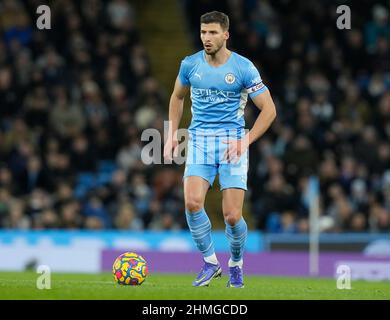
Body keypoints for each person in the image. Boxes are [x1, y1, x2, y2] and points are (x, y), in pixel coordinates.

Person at [163, 11, 276, 288]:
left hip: (231, 143)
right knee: (191, 202)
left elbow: (269, 109)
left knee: (232, 216)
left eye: (212, 33)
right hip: (200, 141)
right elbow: (177, 97)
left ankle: (236, 264)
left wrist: (244, 141)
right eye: (203, 32)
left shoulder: (243, 68)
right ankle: (210, 263)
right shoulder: (190, 65)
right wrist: (171, 134)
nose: (206, 38)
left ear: (226, 35)